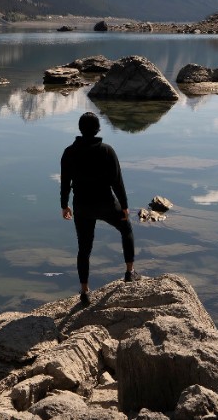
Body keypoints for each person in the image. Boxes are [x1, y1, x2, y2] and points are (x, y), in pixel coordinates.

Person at [60, 111, 136, 306]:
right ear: (98, 129)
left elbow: (65, 182)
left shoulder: (69, 152)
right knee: (126, 229)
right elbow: (117, 182)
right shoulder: (107, 151)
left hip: (82, 206)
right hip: (106, 204)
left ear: (80, 129)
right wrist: (125, 206)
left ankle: (85, 291)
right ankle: (129, 273)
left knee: (84, 248)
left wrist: (64, 205)